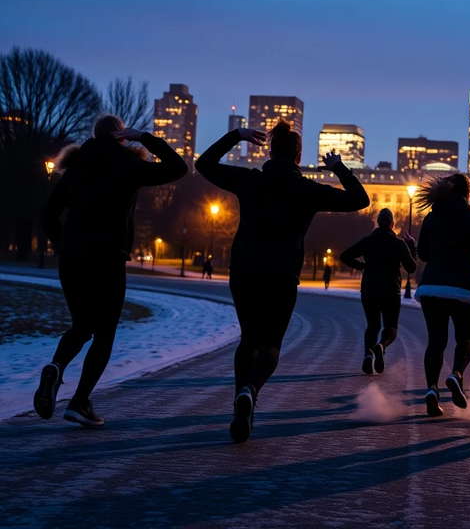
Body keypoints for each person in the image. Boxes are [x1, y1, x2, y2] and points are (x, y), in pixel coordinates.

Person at [195, 120, 369, 443]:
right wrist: (338, 168)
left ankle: (239, 401)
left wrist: (238, 136)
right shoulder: (307, 191)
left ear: (271, 152)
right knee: (270, 346)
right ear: (298, 157)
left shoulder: (250, 181)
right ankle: (251, 389)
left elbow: (203, 164)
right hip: (282, 276)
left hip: (244, 271)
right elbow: (360, 200)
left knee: (248, 339)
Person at [34, 115, 188, 427]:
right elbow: (178, 167)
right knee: (104, 333)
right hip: (107, 258)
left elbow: (48, 215)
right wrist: (143, 137)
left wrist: (63, 245)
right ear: (121, 137)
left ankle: (56, 365)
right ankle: (78, 402)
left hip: (73, 258)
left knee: (81, 326)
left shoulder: (75, 167)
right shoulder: (128, 166)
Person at [413, 174, 470, 417]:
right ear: (468, 194)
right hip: (463, 288)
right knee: (465, 340)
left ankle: (432, 389)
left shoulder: (431, 218)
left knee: (436, 342)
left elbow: (424, 255)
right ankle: (456, 374)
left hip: (432, 287)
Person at [340, 208, 418, 374]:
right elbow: (411, 267)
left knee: (372, 326)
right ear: (392, 224)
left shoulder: (368, 241)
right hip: (391, 290)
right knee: (391, 327)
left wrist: (362, 266)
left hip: (369, 289)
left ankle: (367, 355)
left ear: (377, 222)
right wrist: (412, 247)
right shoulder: (398, 244)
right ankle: (381, 346)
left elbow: (345, 256)